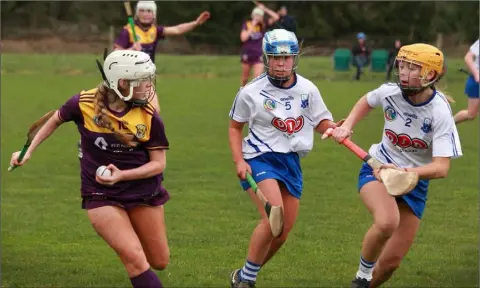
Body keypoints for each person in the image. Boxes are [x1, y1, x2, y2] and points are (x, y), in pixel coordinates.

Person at [10, 50, 171, 288]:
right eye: (143, 81)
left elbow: (159, 164)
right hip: (99, 192)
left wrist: (122, 175)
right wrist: (28, 150)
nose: (149, 87)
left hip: (142, 192)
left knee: (160, 261)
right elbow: (55, 119)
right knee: (135, 259)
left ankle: (127, 246)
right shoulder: (83, 103)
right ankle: (128, 249)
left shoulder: (149, 117)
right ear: (122, 83)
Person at [323, 43, 462, 288]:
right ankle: (361, 278)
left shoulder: (439, 112)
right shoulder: (390, 92)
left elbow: (441, 168)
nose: (404, 72)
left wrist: (405, 173)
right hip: (376, 170)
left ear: (430, 75)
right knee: (387, 222)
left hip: (414, 183)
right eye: (403, 66)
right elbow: (367, 100)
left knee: (390, 264)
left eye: (412, 68)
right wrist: (347, 125)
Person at [228, 29, 342, 288]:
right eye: (275, 58)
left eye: (287, 58)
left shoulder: (308, 89)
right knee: (273, 218)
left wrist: (333, 128)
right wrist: (239, 160)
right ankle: (248, 281)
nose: (281, 64)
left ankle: (244, 274)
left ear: (294, 59)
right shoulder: (251, 91)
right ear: (266, 58)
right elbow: (235, 127)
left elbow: (320, 121)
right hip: (259, 157)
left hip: (291, 162)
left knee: (282, 233)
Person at [240, 3, 280, 87]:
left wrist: (264, 9)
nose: (258, 17)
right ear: (252, 15)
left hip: (258, 54)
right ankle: (242, 93)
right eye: (256, 15)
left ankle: (254, 96)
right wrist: (252, 26)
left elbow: (276, 17)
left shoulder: (263, 25)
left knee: (257, 78)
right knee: (244, 78)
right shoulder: (247, 24)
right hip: (247, 54)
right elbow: (243, 38)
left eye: (259, 15)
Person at [454, 39, 479, 124]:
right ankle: (447, 125)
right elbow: (468, 57)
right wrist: (476, 74)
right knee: (471, 114)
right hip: (476, 82)